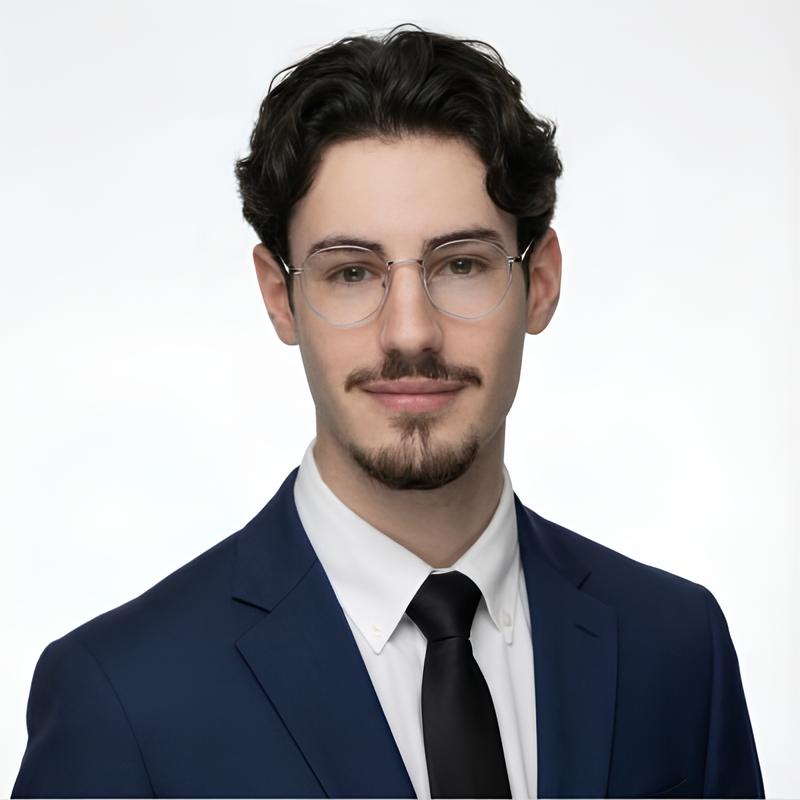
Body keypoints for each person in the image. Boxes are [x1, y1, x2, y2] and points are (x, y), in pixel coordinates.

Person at [12, 25, 764, 800]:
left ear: (540, 282)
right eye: (351, 273)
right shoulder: (123, 699)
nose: (410, 331)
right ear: (282, 298)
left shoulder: (676, 648)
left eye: (463, 263)